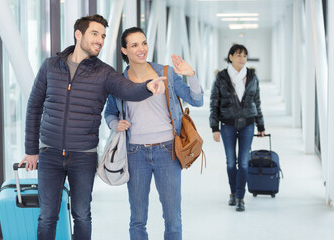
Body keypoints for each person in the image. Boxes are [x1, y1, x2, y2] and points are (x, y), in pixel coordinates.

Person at [19, 15, 165, 240]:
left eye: (103, 36)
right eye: (95, 34)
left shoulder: (104, 72)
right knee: (47, 216)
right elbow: (33, 108)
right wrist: (31, 150)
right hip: (50, 154)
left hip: (83, 156)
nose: (100, 40)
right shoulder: (50, 66)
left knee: (82, 215)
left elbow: (127, 90)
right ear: (79, 34)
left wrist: (148, 87)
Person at [104, 27, 204, 240]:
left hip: (167, 151)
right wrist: (115, 124)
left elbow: (197, 100)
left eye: (144, 43)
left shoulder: (165, 73)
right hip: (135, 153)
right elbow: (110, 113)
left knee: (173, 218)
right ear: (124, 50)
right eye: (134, 45)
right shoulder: (119, 81)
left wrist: (191, 75)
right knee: (138, 218)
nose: (141, 49)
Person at [209, 44, 265, 212]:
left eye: (245, 56)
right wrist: (214, 127)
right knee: (231, 163)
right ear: (231, 57)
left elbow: (257, 101)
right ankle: (233, 192)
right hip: (228, 125)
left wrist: (260, 125)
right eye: (239, 55)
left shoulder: (252, 76)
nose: (242, 59)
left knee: (244, 163)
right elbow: (214, 103)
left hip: (248, 124)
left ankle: (240, 197)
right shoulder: (221, 77)